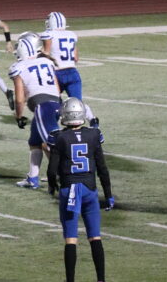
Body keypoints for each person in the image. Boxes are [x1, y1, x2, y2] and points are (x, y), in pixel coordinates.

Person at [46, 98, 113, 282]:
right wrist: (108, 194)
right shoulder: (94, 134)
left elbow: (51, 170)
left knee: (71, 238)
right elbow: (102, 168)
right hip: (90, 190)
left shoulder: (58, 137)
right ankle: (101, 279)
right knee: (95, 237)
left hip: (70, 190)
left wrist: (52, 186)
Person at [10, 36, 62, 189]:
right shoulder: (46, 61)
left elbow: (19, 99)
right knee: (34, 142)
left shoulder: (19, 67)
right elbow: (57, 88)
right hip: (55, 104)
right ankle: (32, 178)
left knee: (52, 145)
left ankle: (66, 175)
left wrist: (19, 116)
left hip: (43, 108)